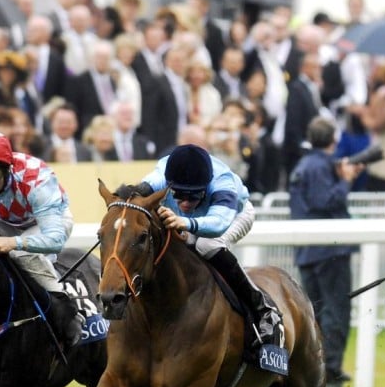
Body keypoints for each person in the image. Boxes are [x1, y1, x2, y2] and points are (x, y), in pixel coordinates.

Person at [121, 144, 282, 353]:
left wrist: (185, 222)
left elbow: (218, 224)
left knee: (206, 244)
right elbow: (136, 195)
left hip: (234, 215)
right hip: (192, 219)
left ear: (206, 187)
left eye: (194, 196)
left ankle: (262, 308)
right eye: (178, 195)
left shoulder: (223, 182)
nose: (185, 203)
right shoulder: (161, 173)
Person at [289, 117, 362, 387]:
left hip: (308, 251)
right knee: (335, 312)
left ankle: (318, 368)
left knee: (316, 313)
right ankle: (329, 370)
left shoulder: (304, 164)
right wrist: (345, 182)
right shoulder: (319, 166)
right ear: (333, 140)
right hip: (328, 251)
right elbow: (325, 201)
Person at [0, 133, 79, 345]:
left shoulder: (35, 178)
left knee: (20, 252)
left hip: (50, 223)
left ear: (7, 169)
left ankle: (66, 310)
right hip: (7, 224)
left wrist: (12, 243)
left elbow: (54, 240)